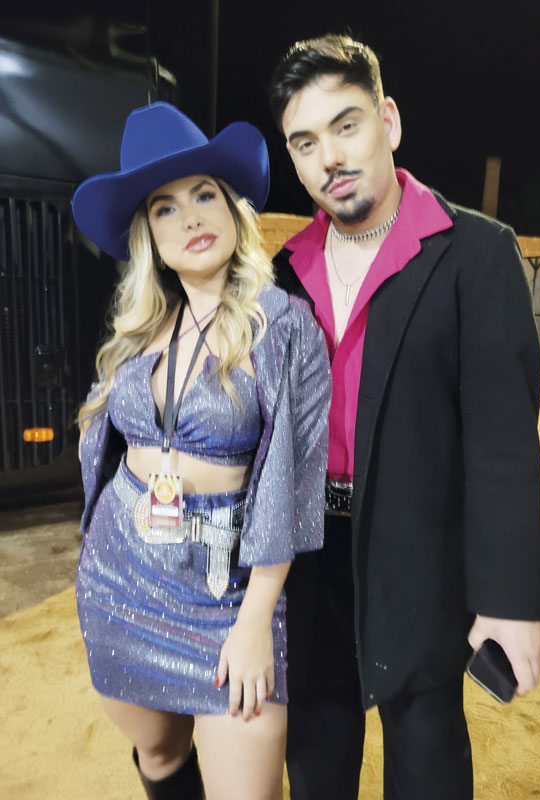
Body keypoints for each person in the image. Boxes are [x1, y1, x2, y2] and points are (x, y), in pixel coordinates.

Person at [268, 34, 540, 800]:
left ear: (388, 121)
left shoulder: (475, 255)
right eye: (306, 142)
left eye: (346, 125)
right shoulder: (283, 272)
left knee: (426, 766)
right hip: (308, 560)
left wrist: (510, 601)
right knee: (316, 762)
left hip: (419, 561)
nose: (330, 157)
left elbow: (502, 446)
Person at [72, 101, 330, 800]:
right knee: (158, 755)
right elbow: (101, 444)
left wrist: (256, 618)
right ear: (149, 236)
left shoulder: (285, 328)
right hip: (120, 578)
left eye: (204, 195)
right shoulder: (138, 333)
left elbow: (291, 484)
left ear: (233, 209)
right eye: (165, 208)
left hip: (228, 593)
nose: (190, 218)